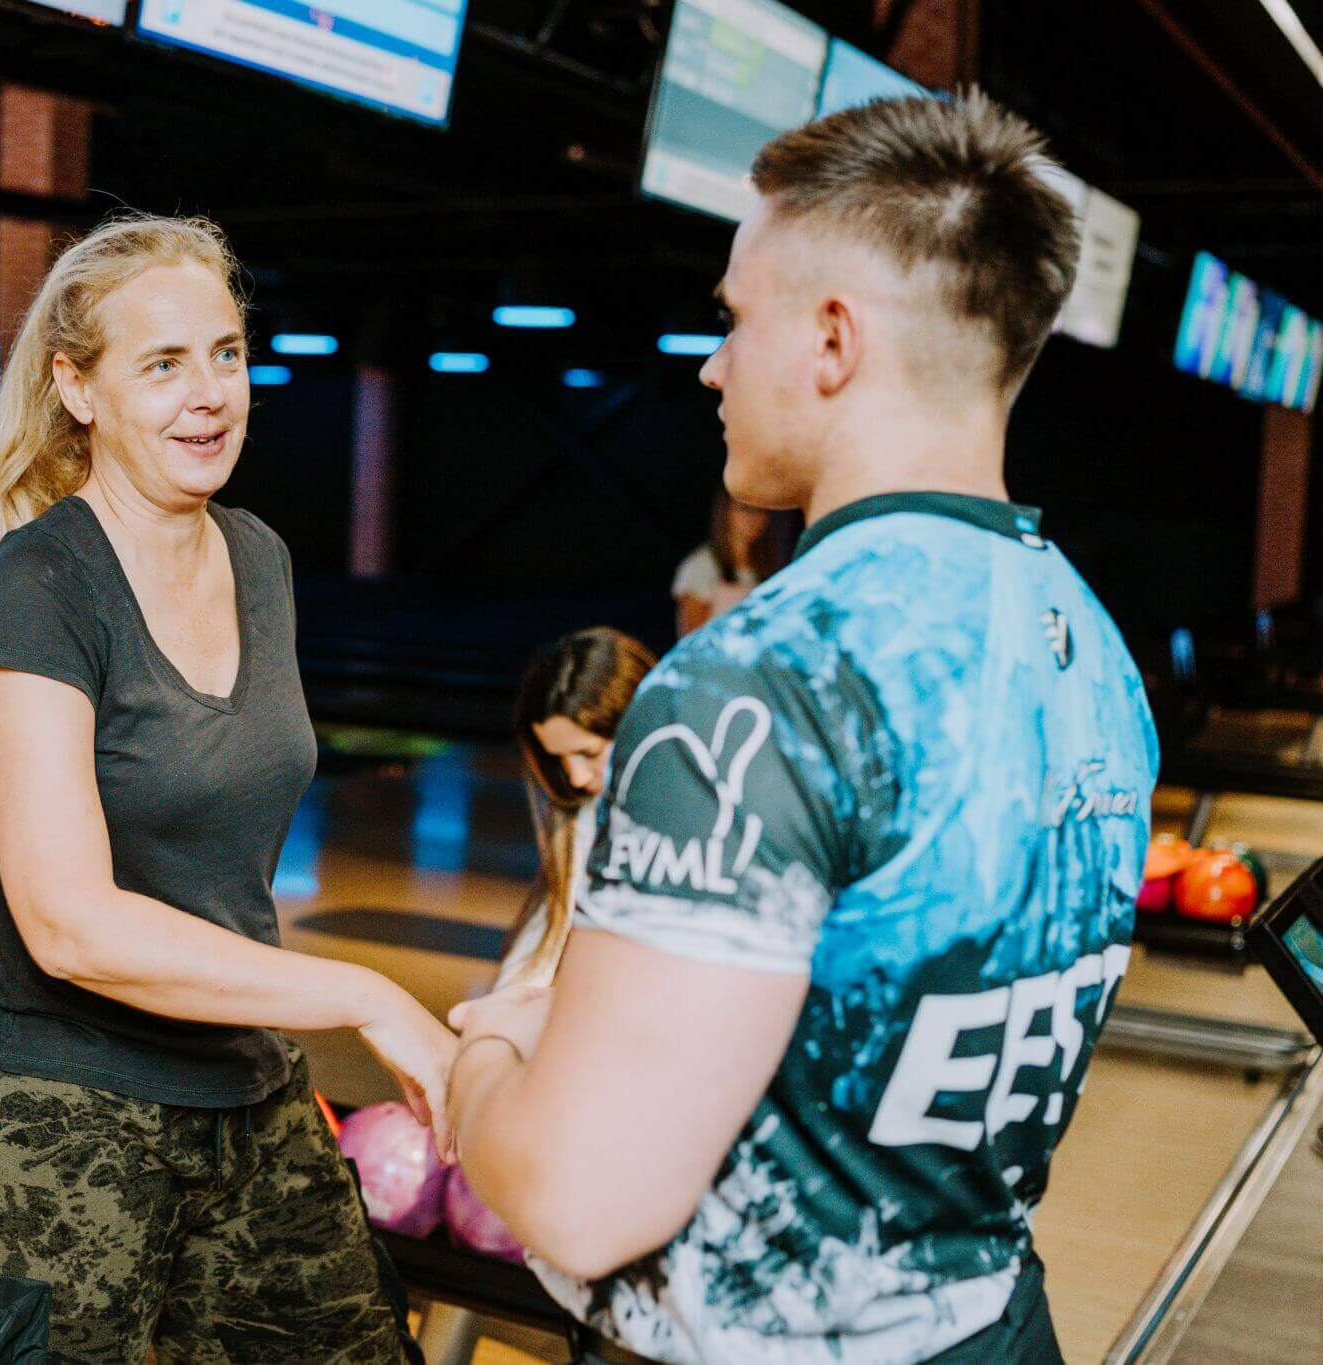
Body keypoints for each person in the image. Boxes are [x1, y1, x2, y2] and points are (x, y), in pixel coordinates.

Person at [446, 93, 1158, 1364]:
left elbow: (579, 1198)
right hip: (997, 1326)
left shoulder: (755, 684)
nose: (712, 365)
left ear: (831, 339)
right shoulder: (1089, 645)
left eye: (733, 318)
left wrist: (489, 1055)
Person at [0, 214, 451, 1363]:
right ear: (79, 389)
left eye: (225, 354)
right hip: (43, 1100)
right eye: (161, 364)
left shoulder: (258, 557)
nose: (208, 395)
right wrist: (363, 994)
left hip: (233, 1070)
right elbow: (69, 926)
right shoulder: (40, 587)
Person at [496, 627, 654, 989]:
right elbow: (541, 954)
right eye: (559, 759)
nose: (577, 777)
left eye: (589, 753)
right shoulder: (580, 817)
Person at [671, 490, 784, 637]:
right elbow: (691, 635)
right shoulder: (703, 564)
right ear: (726, 512)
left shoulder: (770, 565)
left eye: (762, 511)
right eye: (745, 509)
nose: (754, 518)